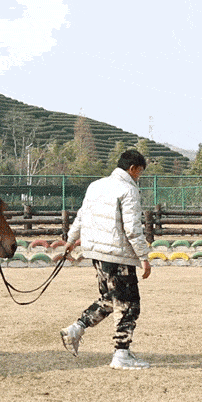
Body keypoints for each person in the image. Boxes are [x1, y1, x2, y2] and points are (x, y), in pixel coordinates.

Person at [59, 149, 153, 370]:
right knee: (129, 304)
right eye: (139, 172)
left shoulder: (96, 185)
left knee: (110, 299)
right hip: (117, 254)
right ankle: (121, 354)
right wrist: (144, 257)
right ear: (133, 169)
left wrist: (71, 240)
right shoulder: (128, 189)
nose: (139, 177)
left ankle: (76, 329)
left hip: (96, 253)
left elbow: (82, 215)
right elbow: (132, 228)